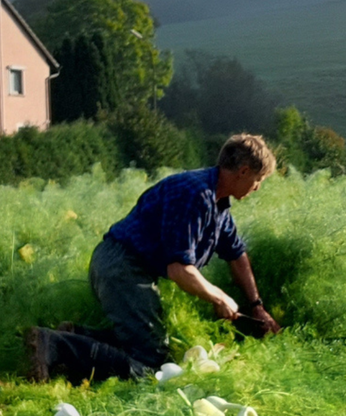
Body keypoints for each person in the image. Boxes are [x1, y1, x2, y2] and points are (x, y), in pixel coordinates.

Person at [26, 133, 281, 383]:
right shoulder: (196, 194)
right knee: (152, 364)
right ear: (244, 171)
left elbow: (236, 254)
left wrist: (256, 306)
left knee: (144, 346)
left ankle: (76, 337)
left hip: (126, 266)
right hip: (123, 266)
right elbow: (180, 269)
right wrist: (219, 297)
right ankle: (53, 345)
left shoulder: (218, 203)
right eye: (258, 180)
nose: (257, 188)